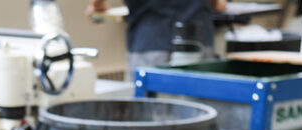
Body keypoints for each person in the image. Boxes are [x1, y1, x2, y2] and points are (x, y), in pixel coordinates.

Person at [85, 0, 224, 76]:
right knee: (197, 108)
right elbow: (215, 4)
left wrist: (96, 5)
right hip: (197, 39)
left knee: (148, 111)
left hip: (151, 39)